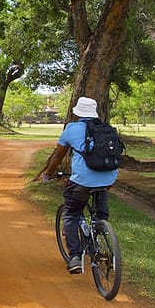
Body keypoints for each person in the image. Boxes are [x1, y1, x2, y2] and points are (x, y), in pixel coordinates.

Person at [36, 96, 119, 274]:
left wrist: (49, 173)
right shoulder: (106, 129)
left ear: (78, 113)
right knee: (100, 214)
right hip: (109, 177)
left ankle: (75, 256)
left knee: (70, 214)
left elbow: (58, 156)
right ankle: (101, 229)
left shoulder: (71, 129)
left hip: (82, 181)